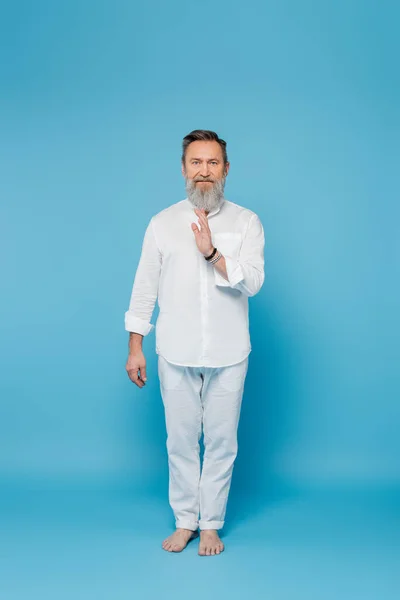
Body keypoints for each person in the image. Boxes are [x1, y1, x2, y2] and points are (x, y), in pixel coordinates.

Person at [124, 129, 265, 556]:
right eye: (196, 163)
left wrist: (212, 254)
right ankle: (186, 520)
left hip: (229, 352)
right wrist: (135, 347)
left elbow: (254, 283)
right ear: (184, 169)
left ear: (226, 169)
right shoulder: (162, 223)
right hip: (176, 350)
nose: (204, 171)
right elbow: (144, 287)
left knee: (222, 442)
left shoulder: (246, 222)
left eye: (213, 163)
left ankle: (211, 524)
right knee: (180, 440)